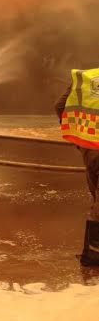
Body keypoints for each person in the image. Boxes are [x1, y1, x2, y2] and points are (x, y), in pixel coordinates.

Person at [55, 69, 99, 266]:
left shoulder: (85, 77)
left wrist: (79, 140)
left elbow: (59, 106)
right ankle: (93, 256)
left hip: (90, 148)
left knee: (96, 196)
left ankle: (91, 254)